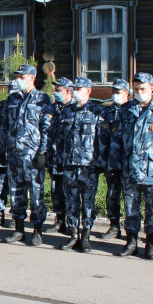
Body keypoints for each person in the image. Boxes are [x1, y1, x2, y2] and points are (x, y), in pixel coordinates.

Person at [110, 73, 153, 260]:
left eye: (143, 89)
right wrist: (114, 165)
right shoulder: (126, 110)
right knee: (130, 208)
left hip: (152, 171)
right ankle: (131, 242)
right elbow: (116, 140)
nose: (139, 92)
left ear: (152, 88)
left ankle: (151, 244)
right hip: (129, 169)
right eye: (137, 89)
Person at [0, 64, 53, 246]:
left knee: (36, 193)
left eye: (22, 77)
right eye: (18, 77)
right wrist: (3, 148)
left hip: (32, 156)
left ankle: (37, 230)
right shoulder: (12, 99)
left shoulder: (42, 99)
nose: (19, 80)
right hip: (14, 154)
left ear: (32, 78)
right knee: (16, 193)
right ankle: (19, 229)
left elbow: (46, 128)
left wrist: (43, 152)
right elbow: (5, 126)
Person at [56, 77, 107, 252]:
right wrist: (59, 159)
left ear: (88, 91)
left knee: (87, 202)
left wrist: (100, 162)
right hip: (69, 164)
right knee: (71, 202)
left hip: (88, 165)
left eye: (80, 88)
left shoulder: (97, 112)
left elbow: (102, 139)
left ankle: (85, 236)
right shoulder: (67, 111)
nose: (76, 91)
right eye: (74, 88)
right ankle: (72, 235)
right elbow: (60, 138)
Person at [101, 79, 131, 239]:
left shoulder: (134, 110)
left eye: (118, 92)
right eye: (113, 92)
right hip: (111, 162)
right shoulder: (107, 112)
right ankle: (114, 226)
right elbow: (102, 137)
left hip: (129, 163)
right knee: (112, 195)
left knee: (130, 197)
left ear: (127, 93)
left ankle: (131, 229)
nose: (115, 95)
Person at [47, 77, 74, 237]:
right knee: (56, 190)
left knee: (70, 191)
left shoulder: (74, 110)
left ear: (68, 91)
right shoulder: (53, 109)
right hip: (54, 158)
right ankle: (59, 219)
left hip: (69, 159)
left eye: (58, 90)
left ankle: (72, 223)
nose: (54, 92)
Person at [0, 80, 20, 228]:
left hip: (16, 153)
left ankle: (15, 217)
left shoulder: (22, 107)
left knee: (15, 186)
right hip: (1, 151)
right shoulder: (2, 106)